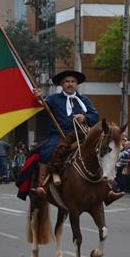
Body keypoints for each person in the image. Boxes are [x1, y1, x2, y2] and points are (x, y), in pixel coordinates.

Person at [31, 70, 122, 204]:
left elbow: (95, 116)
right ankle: (42, 185)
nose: (70, 84)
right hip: (60, 134)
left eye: (72, 81)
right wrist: (39, 98)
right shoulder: (53, 98)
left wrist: (84, 117)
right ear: (62, 84)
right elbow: (41, 107)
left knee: (99, 152)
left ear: (76, 84)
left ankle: (107, 189)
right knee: (46, 151)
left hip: (81, 134)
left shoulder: (84, 100)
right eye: (67, 81)